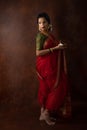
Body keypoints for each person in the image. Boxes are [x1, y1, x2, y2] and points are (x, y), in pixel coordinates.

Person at [36, 12, 72, 125]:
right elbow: (38, 53)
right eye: (39, 23)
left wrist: (59, 46)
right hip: (45, 66)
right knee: (55, 87)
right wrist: (55, 49)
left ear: (49, 23)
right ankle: (46, 112)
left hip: (53, 65)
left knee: (50, 88)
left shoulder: (50, 35)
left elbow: (55, 46)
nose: (42, 25)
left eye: (44, 22)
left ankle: (43, 113)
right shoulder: (40, 36)